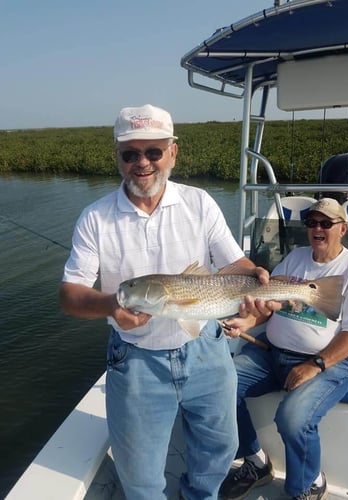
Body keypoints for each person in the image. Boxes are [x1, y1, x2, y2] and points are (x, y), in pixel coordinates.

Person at [59, 103, 270, 500]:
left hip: (206, 349)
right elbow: (70, 294)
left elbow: (234, 263)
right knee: (139, 476)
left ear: (173, 152)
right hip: (137, 361)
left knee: (219, 449)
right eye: (130, 153)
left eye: (154, 151)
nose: (143, 163)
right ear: (117, 158)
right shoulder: (94, 218)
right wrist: (110, 306)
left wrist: (257, 280)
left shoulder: (200, 203)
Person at [220, 198, 348, 500]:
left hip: (331, 362)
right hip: (271, 353)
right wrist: (246, 322)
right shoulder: (295, 259)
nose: (317, 228)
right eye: (312, 223)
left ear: (343, 229)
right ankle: (255, 461)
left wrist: (315, 364)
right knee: (218, 386)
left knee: (292, 418)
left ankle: (306, 485)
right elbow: (268, 304)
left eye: (326, 223)